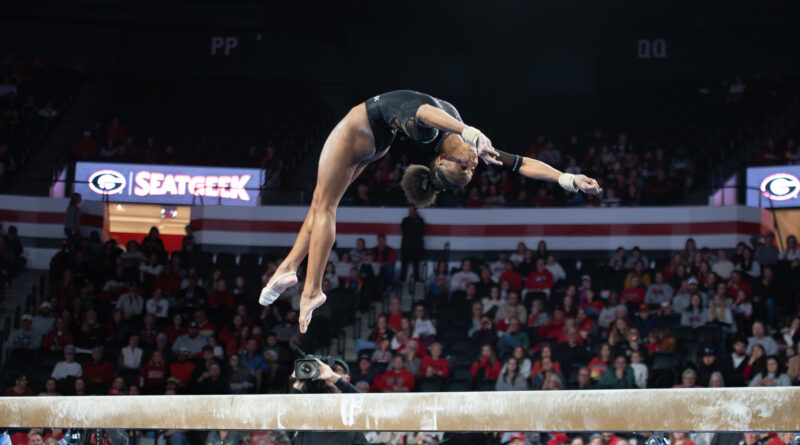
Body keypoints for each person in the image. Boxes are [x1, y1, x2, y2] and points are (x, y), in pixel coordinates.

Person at [258, 90, 602, 333]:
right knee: (319, 203)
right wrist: (568, 179)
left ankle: (312, 289)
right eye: (469, 170)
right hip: (376, 140)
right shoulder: (472, 144)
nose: (471, 165)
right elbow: (521, 164)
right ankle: (287, 268)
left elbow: (422, 110)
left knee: (325, 207)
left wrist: (468, 132)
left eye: (462, 167)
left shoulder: (428, 133)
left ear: (441, 159)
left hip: (358, 129)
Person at [400, 206, 425, 282]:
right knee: (404, 266)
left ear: (415, 211)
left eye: (411, 210)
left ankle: (416, 280)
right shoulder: (405, 220)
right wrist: (414, 227)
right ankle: (402, 280)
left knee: (416, 265)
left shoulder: (420, 220)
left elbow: (421, 231)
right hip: (406, 246)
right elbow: (404, 230)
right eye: (409, 210)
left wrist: (412, 228)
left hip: (416, 247)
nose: (410, 212)